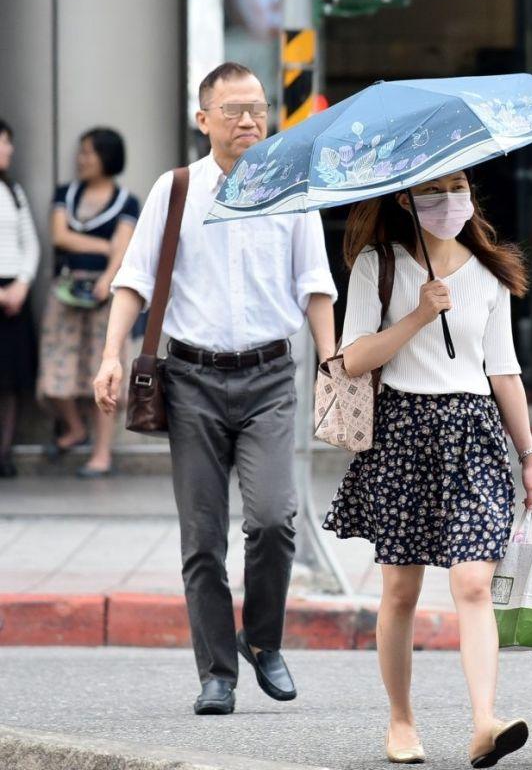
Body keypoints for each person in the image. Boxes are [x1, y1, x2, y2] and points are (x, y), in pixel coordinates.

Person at [93, 62, 337, 715]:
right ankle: (216, 674)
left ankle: (262, 641)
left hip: (268, 381)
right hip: (192, 381)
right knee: (202, 538)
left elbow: (316, 285)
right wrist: (111, 354)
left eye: (257, 108)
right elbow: (133, 283)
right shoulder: (174, 191)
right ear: (203, 119)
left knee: (272, 521)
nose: (249, 121)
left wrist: (332, 362)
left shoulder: (291, 191)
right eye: (233, 110)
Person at [323, 170, 532, 767]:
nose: (450, 202)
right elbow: (350, 359)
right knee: (400, 589)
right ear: (406, 200)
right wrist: (419, 315)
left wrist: (528, 456)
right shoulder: (380, 264)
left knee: (473, 582)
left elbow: (503, 370)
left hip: (472, 434)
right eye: (435, 191)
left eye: (459, 188)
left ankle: (484, 721)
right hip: (401, 431)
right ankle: (401, 720)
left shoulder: (491, 271)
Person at [39, 128, 139, 476]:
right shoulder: (65, 194)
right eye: (81, 152)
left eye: (88, 153)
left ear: (106, 158)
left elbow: (124, 248)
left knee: (105, 373)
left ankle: (101, 453)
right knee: (55, 367)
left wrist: (107, 278)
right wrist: (102, 246)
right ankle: (74, 428)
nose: (81, 159)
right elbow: (59, 235)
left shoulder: (127, 200)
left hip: (104, 297)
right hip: (65, 292)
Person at [0, 118, 39, 479]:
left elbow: (30, 244)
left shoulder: (14, 191)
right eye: (3, 142)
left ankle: (5, 454)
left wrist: (22, 284)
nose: (9, 150)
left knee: (11, 380)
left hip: (14, 293)